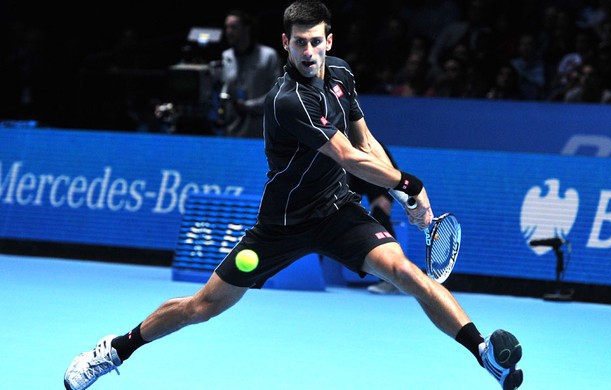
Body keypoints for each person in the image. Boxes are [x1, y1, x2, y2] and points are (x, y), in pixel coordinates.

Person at [63, 2, 524, 390]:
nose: (308, 51)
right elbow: (346, 155)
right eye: (298, 42)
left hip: (338, 210)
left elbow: (366, 142)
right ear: (285, 43)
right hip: (281, 226)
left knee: (408, 272)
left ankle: (483, 352)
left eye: (315, 41)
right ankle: (114, 349)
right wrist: (408, 185)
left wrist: (400, 191)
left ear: (329, 40)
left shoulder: (340, 74)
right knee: (201, 307)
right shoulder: (289, 99)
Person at [215, 9, 283, 138]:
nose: (229, 32)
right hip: (232, 133)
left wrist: (248, 106)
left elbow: (276, 95)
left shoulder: (268, 56)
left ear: (247, 28)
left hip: (261, 132)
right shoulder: (226, 57)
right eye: (227, 27)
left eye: (233, 27)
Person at [347, 144, 401, 295]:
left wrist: (388, 191)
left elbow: (389, 171)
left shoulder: (370, 145)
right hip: (350, 172)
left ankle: (392, 278)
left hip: (379, 174)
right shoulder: (334, 142)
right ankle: (310, 272)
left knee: (381, 215)